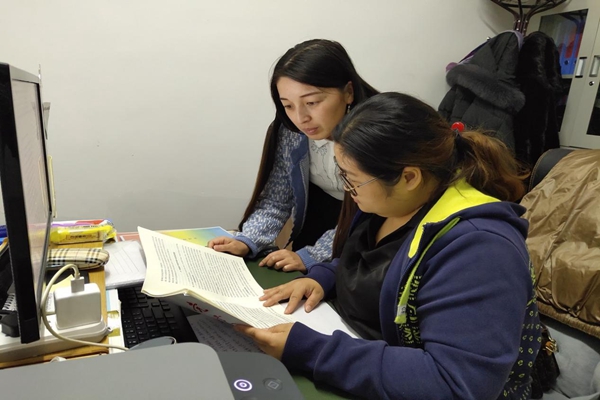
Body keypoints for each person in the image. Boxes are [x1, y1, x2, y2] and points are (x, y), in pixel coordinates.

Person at [235, 92, 542, 399]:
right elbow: (373, 260)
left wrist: (313, 351)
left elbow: (456, 384)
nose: (347, 188)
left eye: (352, 179)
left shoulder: (482, 249)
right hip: (357, 346)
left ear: (409, 177)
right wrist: (323, 277)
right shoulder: (391, 204)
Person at [208, 39, 378, 273]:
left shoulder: (377, 135)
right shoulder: (292, 133)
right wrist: (248, 240)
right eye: (288, 105)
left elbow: (375, 215)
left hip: (369, 240)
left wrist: (312, 256)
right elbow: (276, 198)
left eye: (312, 102)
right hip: (316, 224)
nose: (300, 118)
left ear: (348, 92)